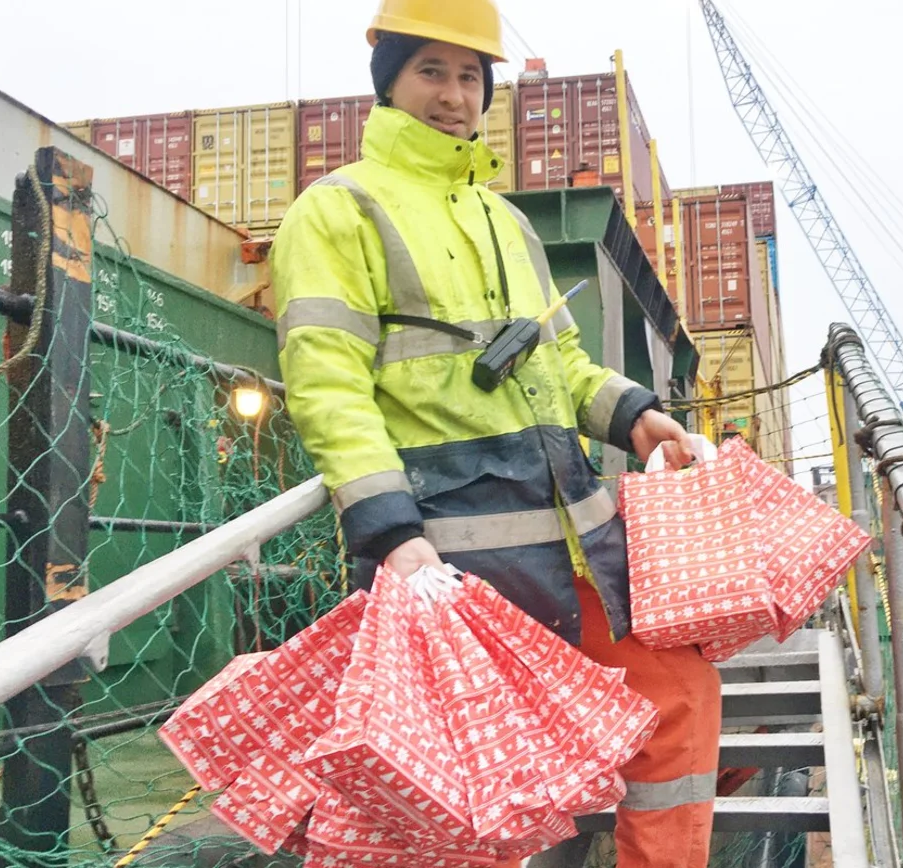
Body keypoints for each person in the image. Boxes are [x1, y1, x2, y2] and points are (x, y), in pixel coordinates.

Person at [269, 1, 722, 865]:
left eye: (470, 75)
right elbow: (327, 387)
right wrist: (392, 534)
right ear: (389, 80)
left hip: (570, 543)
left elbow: (566, 364)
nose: (453, 94)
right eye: (430, 71)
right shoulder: (337, 212)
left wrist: (638, 417)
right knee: (464, 800)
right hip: (448, 569)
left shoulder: (506, 222)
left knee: (682, 691)